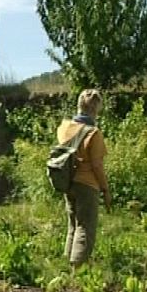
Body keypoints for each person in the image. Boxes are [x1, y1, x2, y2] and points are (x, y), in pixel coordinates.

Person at [56, 89, 111, 268]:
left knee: (72, 225)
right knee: (85, 227)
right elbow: (97, 165)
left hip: (68, 181)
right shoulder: (93, 133)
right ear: (96, 109)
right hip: (87, 183)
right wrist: (105, 188)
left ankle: (67, 264)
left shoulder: (65, 128)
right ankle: (77, 269)